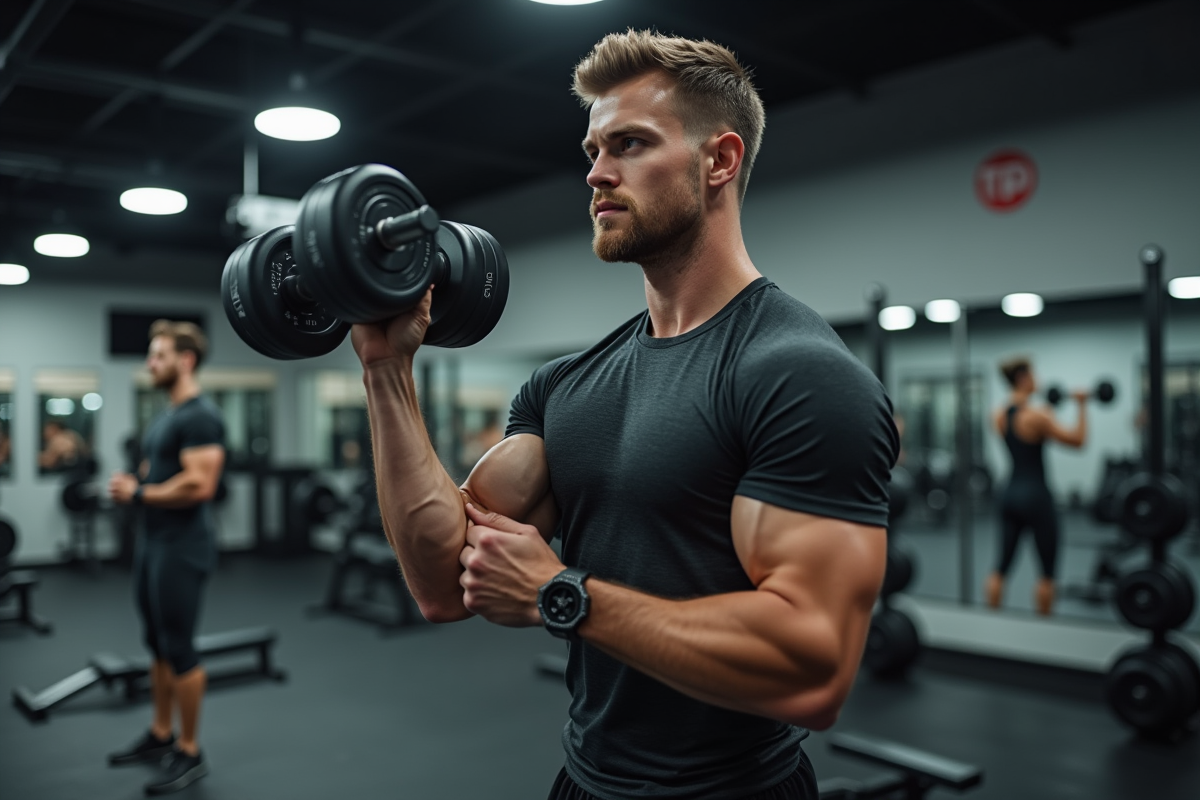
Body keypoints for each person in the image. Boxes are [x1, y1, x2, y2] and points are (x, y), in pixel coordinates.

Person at [355, 31, 897, 800]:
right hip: (584, 783)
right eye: (593, 148)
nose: (597, 173)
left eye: (630, 144)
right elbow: (443, 580)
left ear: (719, 161)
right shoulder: (565, 386)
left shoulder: (796, 375)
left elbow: (813, 670)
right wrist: (387, 369)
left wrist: (562, 594)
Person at [107, 320, 225, 796]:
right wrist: (135, 485)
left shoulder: (201, 416)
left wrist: (140, 492)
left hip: (183, 547)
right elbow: (155, 470)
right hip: (153, 543)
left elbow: (200, 485)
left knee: (179, 647)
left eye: (158, 355)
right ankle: (161, 734)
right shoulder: (166, 417)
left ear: (186, 359)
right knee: (155, 642)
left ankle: (191, 750)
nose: (149, 364)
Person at [986, 357, 1087, 616]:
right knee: (1047, 572)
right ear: (1023, 378)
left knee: (1001, 567)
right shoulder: (1038, 414)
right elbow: (1078, 441)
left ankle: (990, 620)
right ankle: (1045, 627)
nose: (1037, 379)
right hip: (1036, 495)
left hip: (1008, 493)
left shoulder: (998, 414)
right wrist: (1082, 406)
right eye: (1034, 374)